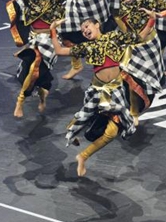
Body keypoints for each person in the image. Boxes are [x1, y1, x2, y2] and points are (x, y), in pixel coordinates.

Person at [49, 18, 149, 177]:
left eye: (87, 26)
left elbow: (140, 37)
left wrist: (151, 20)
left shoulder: (114, 37)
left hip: (115, 91)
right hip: (98, 90)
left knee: (111, 133)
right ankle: (72, 132)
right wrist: (53, 30)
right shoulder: (86, 47)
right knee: (83, 116)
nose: (85, 31)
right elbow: (60, 51)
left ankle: (83, 156)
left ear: (97, 25)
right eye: (82, 30)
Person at [93, 0, 166, 123]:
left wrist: (159, 15)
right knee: (129, 76)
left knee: (150, 79)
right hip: (131, 44)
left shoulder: (148, 0)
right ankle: (132, 111)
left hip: (148, 46)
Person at [2, 0, 80, 118]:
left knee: (36, 67)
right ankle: (40, 95)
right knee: (30, 72)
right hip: (34, 38)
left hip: (50, 40)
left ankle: (20, 102)